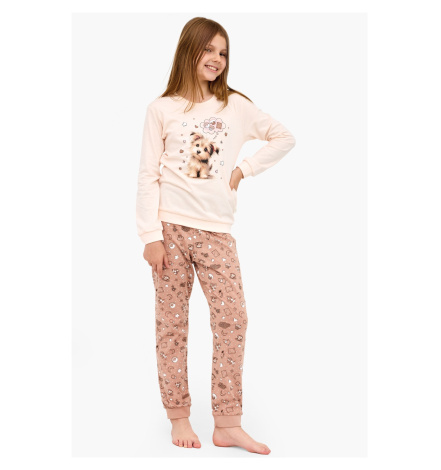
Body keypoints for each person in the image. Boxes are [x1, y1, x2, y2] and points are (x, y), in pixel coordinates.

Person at [136, 17, 296, 454]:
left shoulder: (235, 106)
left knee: (233, 320)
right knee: (172, 324)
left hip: (217, 233)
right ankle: (179, 416)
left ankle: (227, 423)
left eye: (223, 52)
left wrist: (243, 170)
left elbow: (283, 137)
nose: (216, 58)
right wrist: (150, 235)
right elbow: (148, 175)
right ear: (188, 50)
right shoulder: (162, 109)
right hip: (169, 230)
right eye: (208, 49)